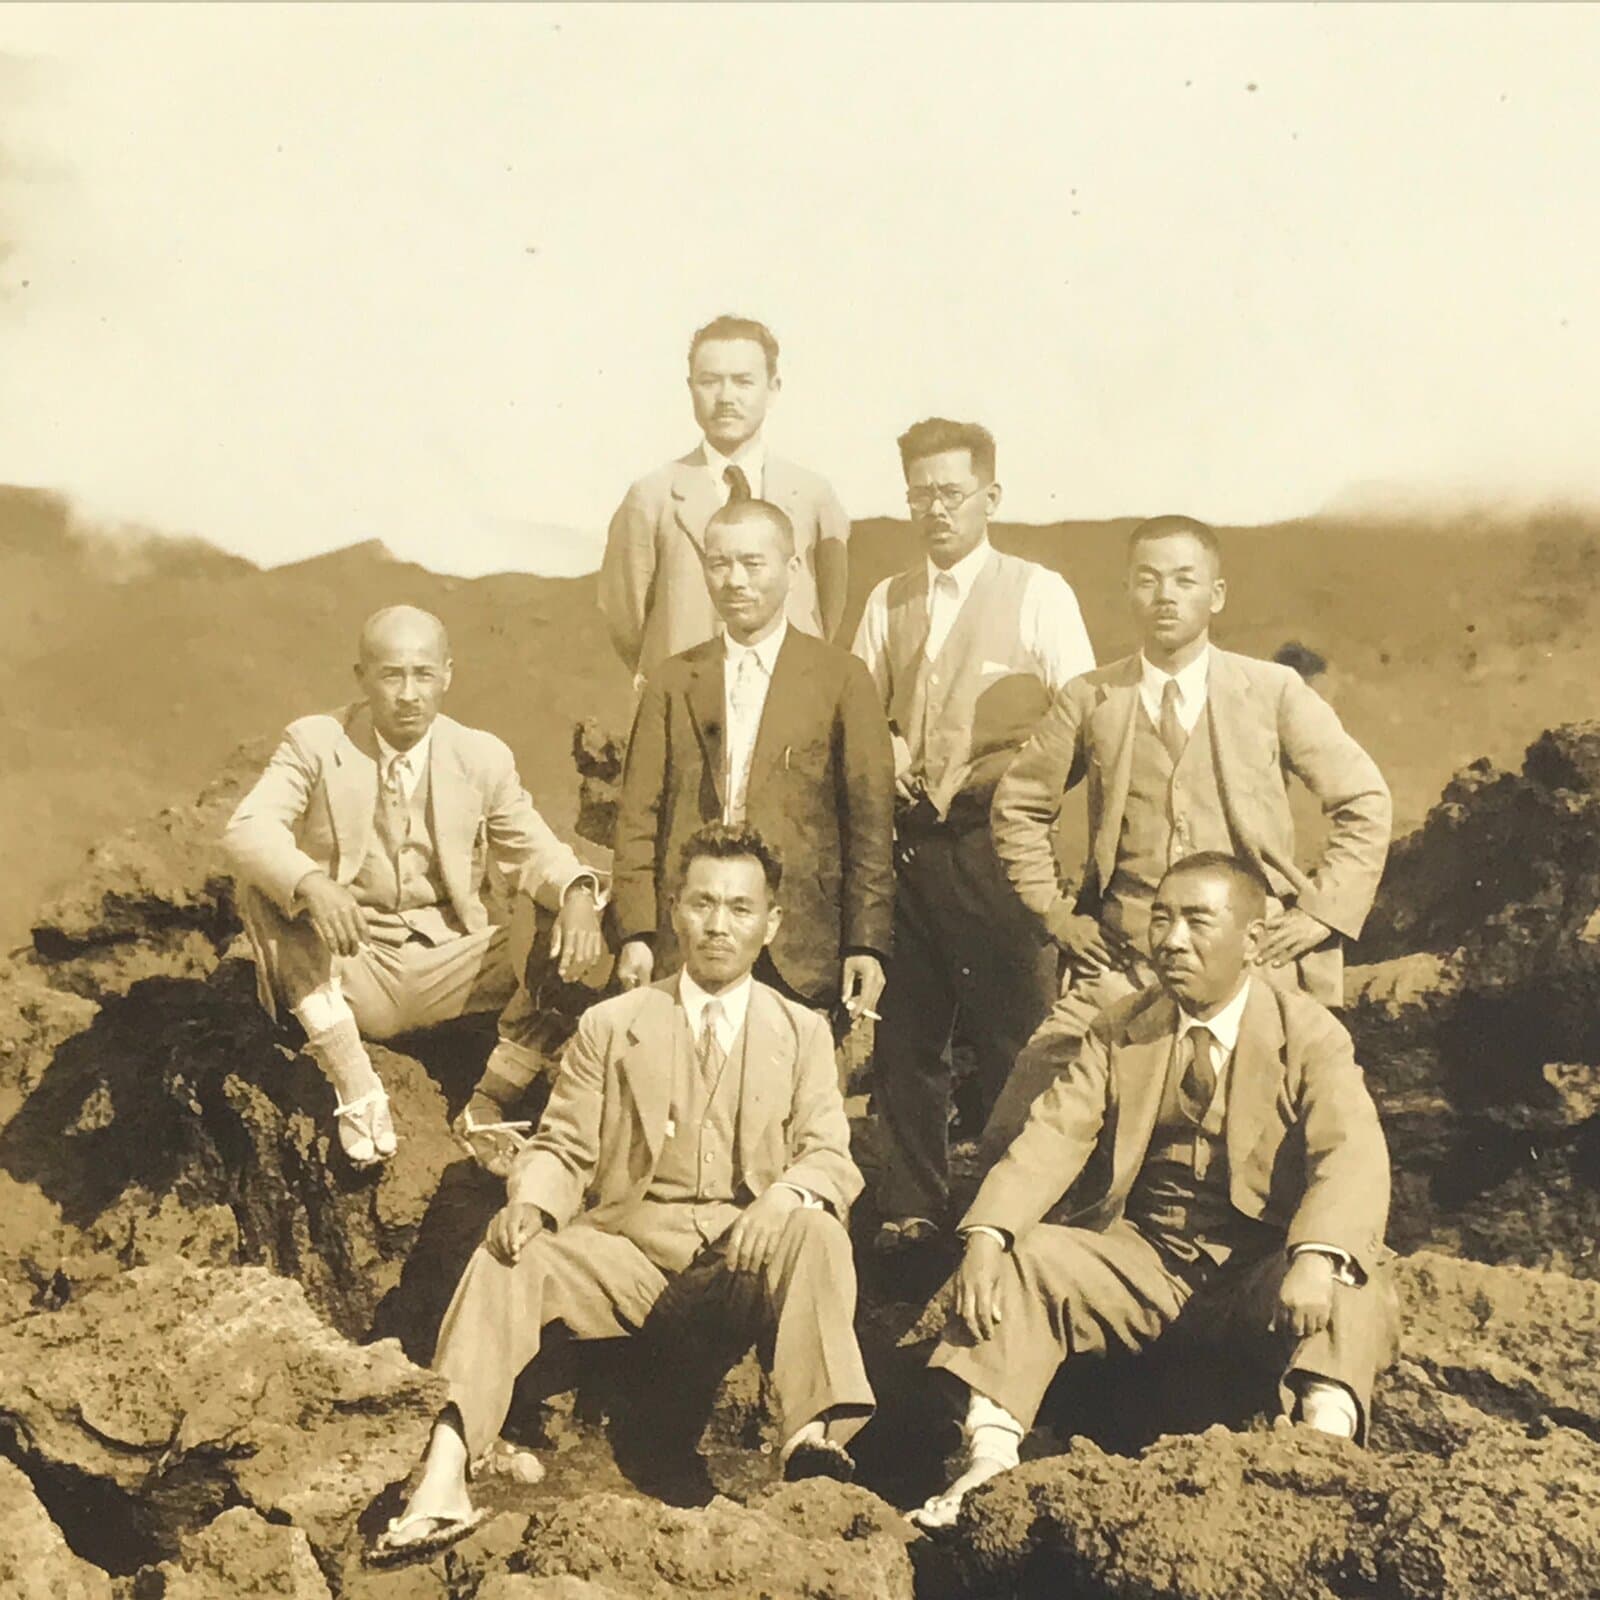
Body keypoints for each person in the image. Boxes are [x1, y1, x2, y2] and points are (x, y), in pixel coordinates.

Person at [371, 822, 877, 1563]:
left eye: (740, 909)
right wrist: (531, 1204)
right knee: (510, 1253)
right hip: (629, 1257)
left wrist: (788, 1194)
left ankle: (810, 1441)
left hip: (745, 1263)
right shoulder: (612, 1026)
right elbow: (564, 1145)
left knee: (818, 1227)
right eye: (703, 904)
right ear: (674, 910)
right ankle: (443, 1475)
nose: (718, 925)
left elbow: (830, 1153)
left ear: (771, 924)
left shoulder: (800, 1032)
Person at [912, 852, 1398, 1529]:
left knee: (1353, 1275)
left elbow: (1350, 1152)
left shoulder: (1308, 1033)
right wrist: (989, 1235)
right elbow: (1054, 1135)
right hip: (1144, 1265)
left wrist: (1315, 1256)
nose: (1170, 940)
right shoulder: (1120, 1028)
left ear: (1253, 942)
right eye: (1161, 919)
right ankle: (988, 1465)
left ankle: (1322, 1457)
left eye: (1198, 921)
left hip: (1260, 1268)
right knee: (1028, 1258)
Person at [984, 514, 1391, 1150]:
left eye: (1184, 580)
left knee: (1293, 1121)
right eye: (1147, 580)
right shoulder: (1091, 698)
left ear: (1216, 595)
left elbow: (1364, 799)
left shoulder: (1273, 691)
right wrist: (1058, 916)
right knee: (1026, 1109)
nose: (1165, 596)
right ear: (1128, 592)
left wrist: (1322, 912)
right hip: (1126, 960)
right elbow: (1018, 805)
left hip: (1256, 960)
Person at [222, 605, 603, 1168]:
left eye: (423, 675)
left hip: (458, 964)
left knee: (598, 908)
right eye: (391, 675)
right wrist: (312, 883)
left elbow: (534, 852)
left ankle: (489, 1102)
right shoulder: (316, 742)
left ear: (447, 675)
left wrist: (576, 892)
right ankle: (357, 1085)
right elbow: (247, 828)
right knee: (268, 891)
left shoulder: (480, 756)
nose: (408, 694)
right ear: (362, 678)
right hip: (354, 962)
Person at [851, 417, 1096, 1252]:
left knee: (1017, 1040)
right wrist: (887, 750)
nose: (935, 510)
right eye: (920, 494)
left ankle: (1018, 1218)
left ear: (990, 496)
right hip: (911, 852)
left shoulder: (1039, 593)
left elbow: (1080, 719)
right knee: (907, 1042)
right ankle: (911, 1211)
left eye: (951, 493)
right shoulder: (887, 600)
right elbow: (861, 713)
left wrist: (1009, 791)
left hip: (1000, 855)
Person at [610, 497, 894, 1029]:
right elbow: (638, 817)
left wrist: (866, 941)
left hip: (802, 948)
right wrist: (637, 933)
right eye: (719, 564)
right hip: (692, 939)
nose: (734, 580)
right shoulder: (673, 681)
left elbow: (871, 826)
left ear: (792, 569)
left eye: (752, 563)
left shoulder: (842, 679)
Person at [599, 314, 851, 687]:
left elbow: (829, 609)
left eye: (743, 382)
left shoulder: (814, 495)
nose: (726, 398)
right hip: (686, 698)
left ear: (773, 387)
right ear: (690, 388)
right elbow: (626, 619)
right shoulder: (651, 497)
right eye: (710, 382)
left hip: (792, 695)